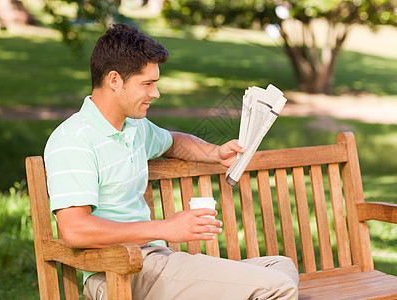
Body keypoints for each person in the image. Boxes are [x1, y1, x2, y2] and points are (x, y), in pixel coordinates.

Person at [44, 24, 299, 300]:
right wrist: (166, 227)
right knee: (279, 287)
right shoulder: (73, 140)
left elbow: (174, 141)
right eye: (147, 83)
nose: (156, 93)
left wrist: (215, 153)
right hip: (119, 271)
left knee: (281, 268)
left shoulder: (133, 128)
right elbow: (73, 229)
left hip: (155, 261)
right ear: (114, 80)